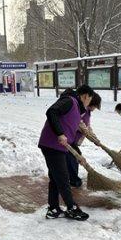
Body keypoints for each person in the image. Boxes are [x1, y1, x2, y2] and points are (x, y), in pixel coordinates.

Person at [38, 85, 94, 221]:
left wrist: (78, 154)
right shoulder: (70, 101)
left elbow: (69, 131)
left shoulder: (75, 107)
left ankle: (53, 208)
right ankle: (72, 208)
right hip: (53, 145)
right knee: (63, 178)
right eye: (89, 100)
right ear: (85, 96)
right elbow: (52, 111)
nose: (89, 104)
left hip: (55, 146)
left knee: (56, 178)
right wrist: (60, 133)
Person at [66, 92, 101, 188]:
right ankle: (74, 180)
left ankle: (72, 179)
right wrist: (89, 136)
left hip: (74, 141)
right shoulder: (81, 110)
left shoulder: (88, 112)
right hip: (69, 138)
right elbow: (79, 124)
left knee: (74, 158)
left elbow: (88, 127)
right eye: (95, 106)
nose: (94, 109)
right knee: (74, 158)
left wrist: (95, 139)